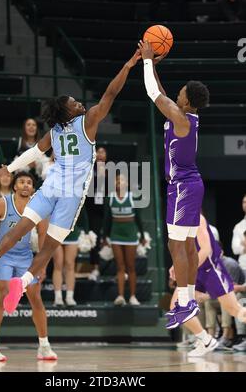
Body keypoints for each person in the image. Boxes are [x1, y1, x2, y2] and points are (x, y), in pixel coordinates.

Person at [0, 48, 142, 314]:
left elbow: (34, 152)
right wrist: (128, 65)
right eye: (73, 102)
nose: (79, 102)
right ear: (67, 111)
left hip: (50, 185)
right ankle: (23, 283)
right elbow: (110, 93)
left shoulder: (54, 131)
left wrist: (9, 168)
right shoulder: (89, 121)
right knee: (48, 249)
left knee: (18, 230)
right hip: (71, 193)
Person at [138, 40, 210, 328]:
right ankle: (189, 299)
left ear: (188, 102)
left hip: (181, 187)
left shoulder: (180, 117)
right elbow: (163, 94)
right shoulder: (186, 116)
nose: (177, 94)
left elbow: (154, 93)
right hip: (190, 185)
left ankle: (183, 301)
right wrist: (153, 67)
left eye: (181, 93)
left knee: (175, 246)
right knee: (188, 246)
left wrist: (145, 60)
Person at [0, 171, 57, 361]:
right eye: (21, 182)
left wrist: (42, 265)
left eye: (29, 182)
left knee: (35, 297)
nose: (25, 185)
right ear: (14, 186)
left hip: (25, 256)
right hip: (2, 255)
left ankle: (44, 346)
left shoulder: (39, 208)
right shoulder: (1, 204)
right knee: (2, 295)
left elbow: (44, 239)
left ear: (33, 188)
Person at [168, 214, 246, 357]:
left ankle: (206, 340)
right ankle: (206, 340)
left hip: (210, 269)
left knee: (235, 310)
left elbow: (206, 249)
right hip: (195, 271)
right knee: (177, 306)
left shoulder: (196, 218)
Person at [102, 174, 146, 306]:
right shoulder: (109, 198)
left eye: (122, 180)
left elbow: (138, 218)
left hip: (131, 235)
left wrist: (142, 236)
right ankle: (120, 296)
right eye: (117, 180)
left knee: (131, 266)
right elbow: (107, 220)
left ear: (127, 184)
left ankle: (133, 296)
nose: (120, 182)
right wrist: (104, 237)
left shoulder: (132, 197)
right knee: (120, 267)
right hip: (116, 235)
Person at [52, 207, 89, 307]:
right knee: (58, 264)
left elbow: (83, 216)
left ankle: (69, 296)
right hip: (55, 232)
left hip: (72, 233)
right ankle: (58, 297)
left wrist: (86, 233)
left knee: (70, 264)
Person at [85, 146, 108, 281]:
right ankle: (95, 267)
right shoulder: (89, 170)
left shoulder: (110, 170)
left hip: (105, 208)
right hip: (91, 208)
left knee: (105, 236)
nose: (100, 154)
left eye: (102, 152)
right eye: (98, 151)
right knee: (93, 236)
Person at [231, 194, 246, 266]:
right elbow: (235, 249)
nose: (245, 204)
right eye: (244, 202)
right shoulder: (238, 226)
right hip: (244, 266)